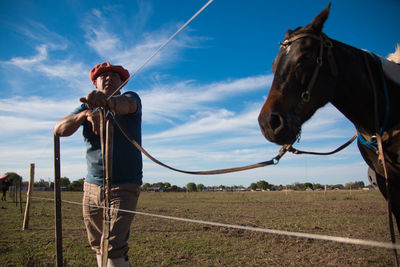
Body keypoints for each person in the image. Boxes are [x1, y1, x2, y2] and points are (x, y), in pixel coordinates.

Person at [54, 62, 142, 267]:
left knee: (113, 247)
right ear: (95, 82)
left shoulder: (131, 98)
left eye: (115, 75)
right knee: (97, 244)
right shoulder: (86, 106)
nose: (109, 78)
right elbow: (59, 129)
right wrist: (85, 114)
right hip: (92, 186)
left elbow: (127, 105)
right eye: (103, 75)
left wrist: (108, 104)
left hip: (124, 185)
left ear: (123, 82)